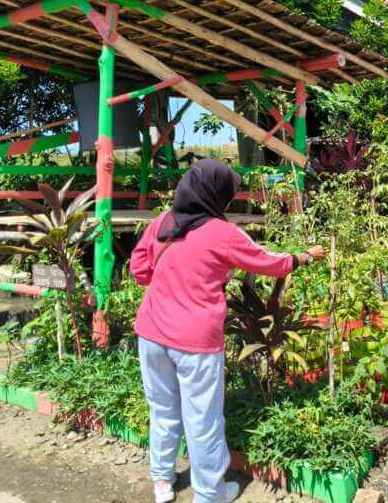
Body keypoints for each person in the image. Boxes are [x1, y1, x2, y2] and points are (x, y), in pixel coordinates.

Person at [130, 159, 325, 503]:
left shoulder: (163, 221)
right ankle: (208, 494)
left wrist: (170, 283)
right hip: (195, 340)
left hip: (150, 334)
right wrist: (303, 257)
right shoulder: (222, 233)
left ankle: (162, 480)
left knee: (161, 407)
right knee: (202, 419)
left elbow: (139, 268)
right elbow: (269, 262)